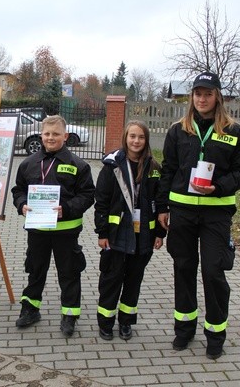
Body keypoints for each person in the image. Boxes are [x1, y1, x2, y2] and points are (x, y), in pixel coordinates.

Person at [156, 71, 240, 359]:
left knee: (213, 271)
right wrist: (162, 207)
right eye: (198, 93)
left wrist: (218, 187)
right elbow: (168, 170)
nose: (202, 98)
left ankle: (216, 334)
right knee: (183, 269)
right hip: (182, 211)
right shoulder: (178, 130)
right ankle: (184, 330)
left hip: (216, 214)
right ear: (192, 97)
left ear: (217, 96)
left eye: (208, 93)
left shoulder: (235, 132)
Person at [11, 115, 95, 337]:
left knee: (69, 273)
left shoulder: (79, 166)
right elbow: (17, 191)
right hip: (37, 231)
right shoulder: (28, 164)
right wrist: (22, 205)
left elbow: (87, 196)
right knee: (35, 270)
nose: (50, 138)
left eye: (56, 134)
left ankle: (70, 315)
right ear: (41, 135)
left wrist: (65, 209)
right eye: (47, 133)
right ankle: (30, 309)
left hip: (66, 232)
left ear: (65, 136)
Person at [94, 120, 166, 341]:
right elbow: (102, 203)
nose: (136, 141)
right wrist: (102, 233)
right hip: (116, 235)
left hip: (143, 235)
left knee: (134, 281)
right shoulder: (112, 166)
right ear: (125, 138)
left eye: (141, 137)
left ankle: (126, 322)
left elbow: (161, 203)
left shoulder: (154, 169)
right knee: (111, 279)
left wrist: (160, 235)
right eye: (132, 136)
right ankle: (105, 322)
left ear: (146, 140)